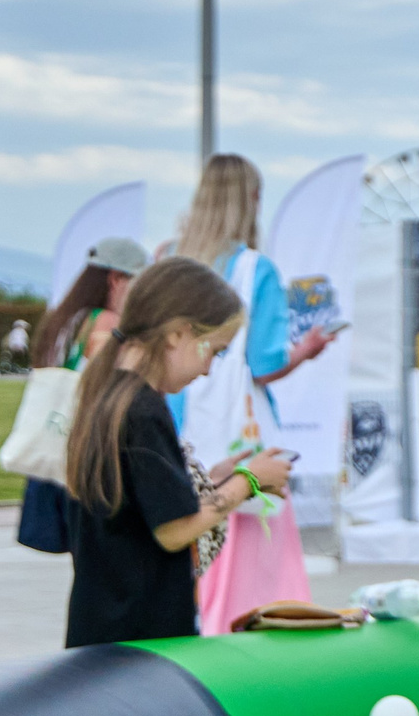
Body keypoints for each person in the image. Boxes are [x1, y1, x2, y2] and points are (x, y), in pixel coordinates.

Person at [63, 257, 292, 647]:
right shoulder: (144, 410)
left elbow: (139, 506)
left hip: (104, 625)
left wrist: (212, 480)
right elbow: (174, 530)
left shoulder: (108, 393)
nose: (207, 369)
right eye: (213, 351)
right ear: (177, 334)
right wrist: (248, 482)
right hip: (145, 638)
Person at [166, 155, 338, 633]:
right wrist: (306, 351)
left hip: (177, 424)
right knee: (256, 554)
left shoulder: (168, 259)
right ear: (249, 201)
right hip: (240, 432)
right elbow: (264, 364)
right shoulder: (255, 269)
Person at [18, 237, 149, 557]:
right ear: (116, 279)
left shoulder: (65, 319)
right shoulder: (106, 323)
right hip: (89, 454)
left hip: (57, 444)